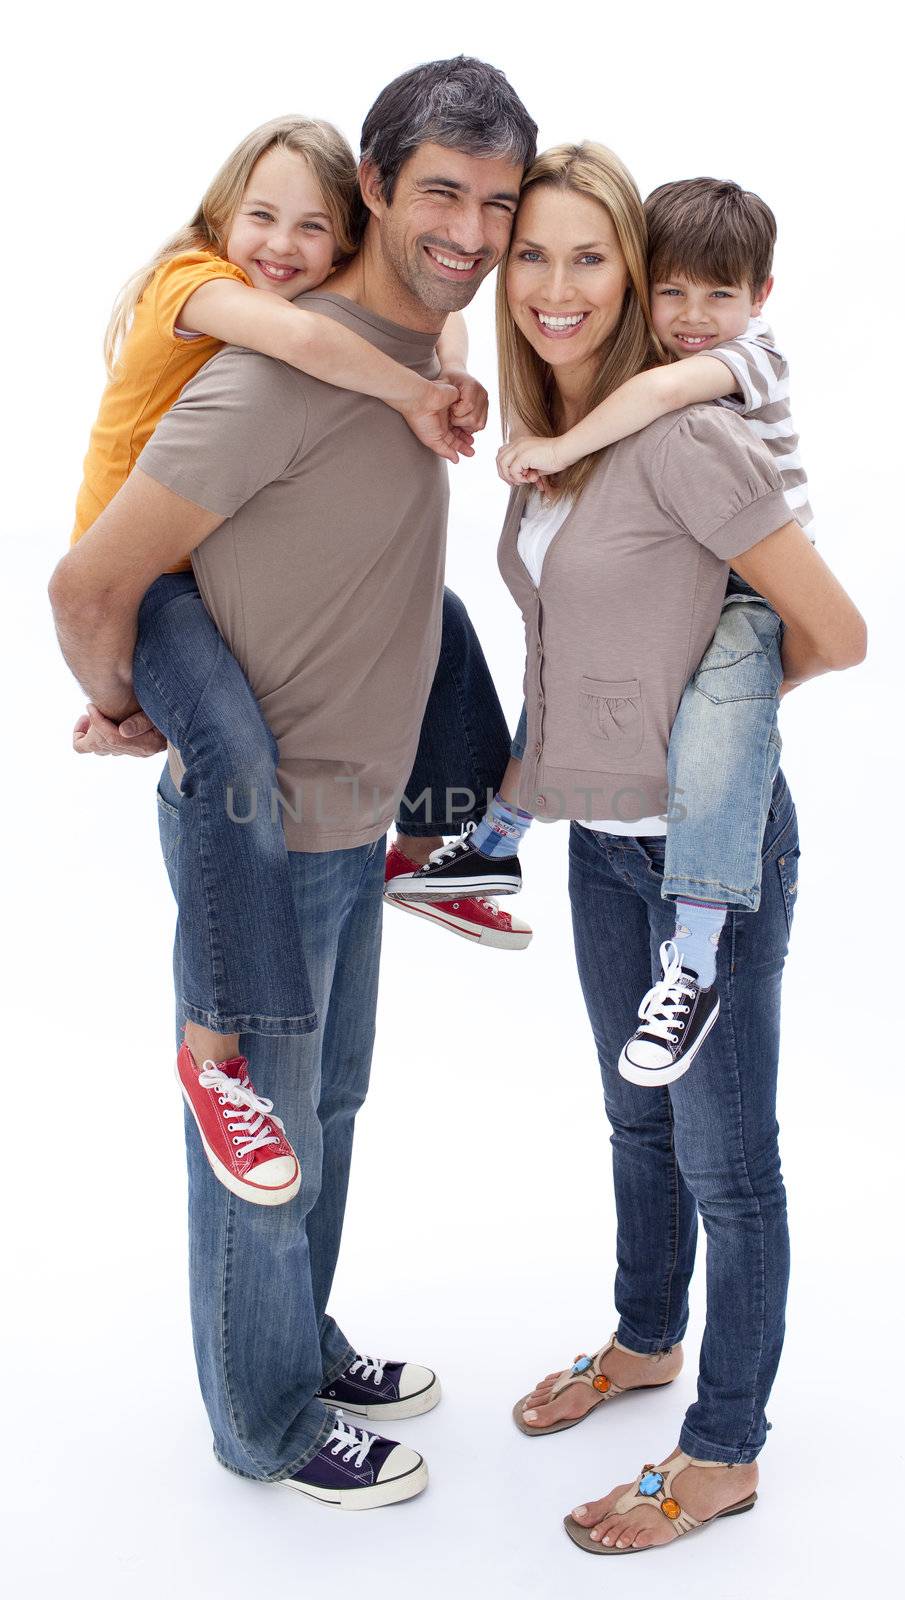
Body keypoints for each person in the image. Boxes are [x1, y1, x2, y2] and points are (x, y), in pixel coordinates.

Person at [48, 56, 537, 1508]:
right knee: (256, 1129)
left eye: (497, 201)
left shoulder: (415, 362)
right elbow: (92, 577)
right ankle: (260, 1423)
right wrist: (132, 704)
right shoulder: (279, 361)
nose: (471, 227)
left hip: (356, 817)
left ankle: (294, 1345)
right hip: (259, 832)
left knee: (323, 1113)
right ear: (373, 188)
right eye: (438, 189)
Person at [495, 142, 864, 1554]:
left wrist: (711, 727)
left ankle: (721, 1453)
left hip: (714, 851)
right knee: (635, 1121)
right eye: (533, 257)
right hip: (604, 849)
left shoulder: (691, 426)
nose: (557, 286)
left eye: (589, 258)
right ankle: (646, 1337)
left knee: (730, 1165)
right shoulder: (561, 441)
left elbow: (831, 634)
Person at [63, 112, 493, 1203]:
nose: (283, 245)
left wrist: (448, 365)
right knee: (235, 756)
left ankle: (443, 842)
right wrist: (117, 703)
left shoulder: (320, 306)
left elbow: (432, 320)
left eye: (314, 229)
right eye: (262, 215)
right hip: (152, 586)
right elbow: (306, 343)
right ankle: (216, 1062)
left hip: (206, 585)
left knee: (428, 613)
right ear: (221, 214)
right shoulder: (194, 282)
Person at [393, 174, 815, 1086]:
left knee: (728, 1167)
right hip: (605, 815)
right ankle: (497, 841)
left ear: (760, 298)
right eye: (674, 291)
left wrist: (745, 690)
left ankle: (694, 959)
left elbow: (840, 633)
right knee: (565, 653)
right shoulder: (604, 412)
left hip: (750, 601)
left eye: (720, 295)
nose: (694, 315)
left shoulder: (724, 376)